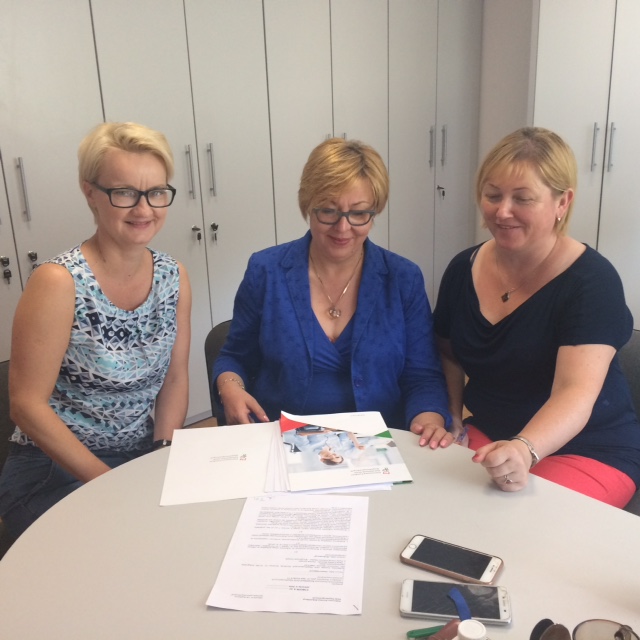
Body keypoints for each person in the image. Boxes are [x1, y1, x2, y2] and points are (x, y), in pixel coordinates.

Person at [0, 122, 192, 538]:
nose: (144, 209)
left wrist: (164, 454)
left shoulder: (173, 276)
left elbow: (175, 378)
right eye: (124, 193)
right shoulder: (59, 282)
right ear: (90, 192)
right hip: (52, 467)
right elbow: (26, 405)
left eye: (156, 192)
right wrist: (111, 484)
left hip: (137, 456)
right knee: (122, 549)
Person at [434, 126, 640, 507]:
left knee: (512, 523)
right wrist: (453, 416)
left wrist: (524, 449)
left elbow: (574, 392)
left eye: (522, 198)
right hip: (493, 436)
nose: (502, 211)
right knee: (436, 503)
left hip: (587, 450)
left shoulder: (592, 281)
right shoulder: (463, 268)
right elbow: (447, 353)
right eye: (492, 195)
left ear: (563, 203)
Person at [214, 137, 450, 446]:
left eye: (359, 213)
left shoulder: (403, 278)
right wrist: (230, 387)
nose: (343, 228)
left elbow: (422, 375)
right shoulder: (266, 271)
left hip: (376, 446)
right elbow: (235, 357)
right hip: (282, 442)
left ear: (375, 211)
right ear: (308, 206)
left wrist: (428, 420)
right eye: (328, 211)